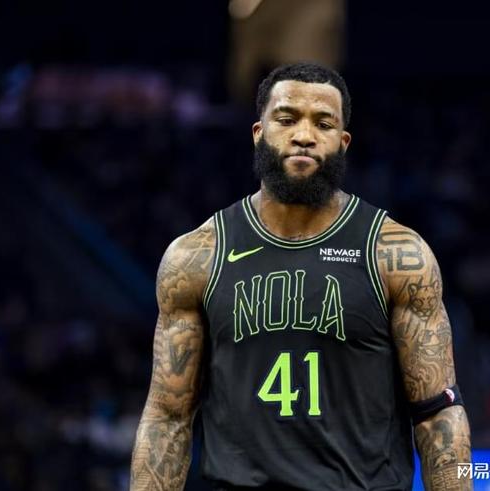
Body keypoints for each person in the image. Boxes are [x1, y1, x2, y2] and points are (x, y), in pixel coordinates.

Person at [130, 62, 472, 491]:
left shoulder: (396, 253)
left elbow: (438, 413)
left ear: (343, 143)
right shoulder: (196, 256)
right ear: (259, 133)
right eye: (287, 119)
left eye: (323, 124)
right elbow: (167, 417)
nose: (304, 135)